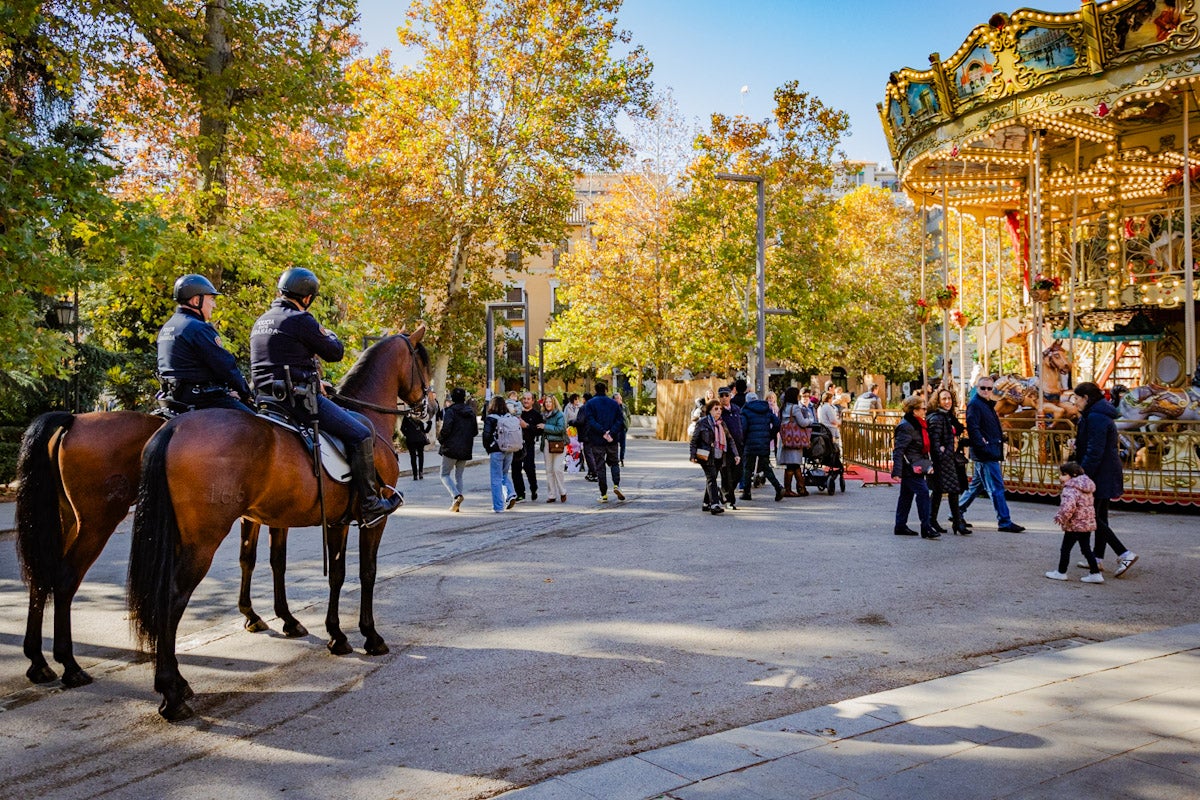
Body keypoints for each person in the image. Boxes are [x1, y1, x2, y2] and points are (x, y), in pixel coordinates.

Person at [250, 267, 401, 526]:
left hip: (266, 401)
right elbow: (335, 352)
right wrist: (327, 333)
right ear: (307, 298)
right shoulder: (300, 319)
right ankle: (370, 504)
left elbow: (279, 361)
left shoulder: (262, 320)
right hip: (299, 402)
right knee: (362, 433)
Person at [157, 273, 253, 413]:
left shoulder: (167, 327)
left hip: (172, 398)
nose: (213, 305)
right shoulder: (198, 328)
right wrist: (245, 393)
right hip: (202, 399)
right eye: (211, 299)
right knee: (259, 426)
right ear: (196, 301)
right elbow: (225, 367)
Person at [1072, 381, 1138, 577]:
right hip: (1104, 471)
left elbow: (1095, 450)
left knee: (1094, 516)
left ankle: (1124, 553)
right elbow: (1092, 443)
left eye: (1076, 398)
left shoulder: (1096, 417)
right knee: (1101, 516)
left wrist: (1082, 475)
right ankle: (1097, 558)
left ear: (1086, 398)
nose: (1074, 402)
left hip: (1100, 473)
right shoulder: (1097, 415)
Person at [957, 377, 1026, 533]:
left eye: (990, 389)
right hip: (986, 453)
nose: (986, 391)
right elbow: (973, 428)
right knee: (996, 488)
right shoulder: (975, 405)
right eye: (983, 388)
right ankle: (1004, 521)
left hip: (990, 450)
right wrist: (983, 447)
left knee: (976, 486)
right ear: (977, 387)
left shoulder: (986, 404)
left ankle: (957, 511)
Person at [1046, 461, 1103, 583]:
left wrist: (1061, 517)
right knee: (1086, 549)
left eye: (1063, 474)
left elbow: (1068, 507)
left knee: (1065, 549)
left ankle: (1061, 572)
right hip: (1086, 524)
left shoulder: (1070, 489)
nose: (1060, 477)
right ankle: (1095, 573)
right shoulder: (1086, 487)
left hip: (1074, 524)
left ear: (1072, 475)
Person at [892, 394, 938, 539]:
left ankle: (900, 525)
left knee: (906, 496)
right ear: (914, 410)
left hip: (915, 464)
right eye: (922, 408)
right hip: (910, 467)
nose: (925, 411)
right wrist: (897, 471)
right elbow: (899, 450)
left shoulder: (917, 424)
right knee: (923, 493)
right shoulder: (907, 426)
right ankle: (926, 527)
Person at [926, 388, 970, 536]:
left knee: (944, 490)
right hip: (943, 460)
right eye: (944, 399)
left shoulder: (946, 416)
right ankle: (956, 522)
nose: (947, 402)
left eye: (949, 399)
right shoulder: (937, 418)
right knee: (952, 489)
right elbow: (935, 440)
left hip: (949, 458)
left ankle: (936, 520)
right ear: (937, 401)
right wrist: (942, 452)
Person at [576, 381, 626, 502]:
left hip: (597, 439)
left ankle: (603, 494)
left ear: (595, 390)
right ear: (606, 389)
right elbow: (620, 421)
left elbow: (590, 421)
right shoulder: (614, 404)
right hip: (611, 439)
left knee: (600, 466)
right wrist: (611, 433)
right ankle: (616, 485)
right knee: (614, 463)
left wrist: (602, 432)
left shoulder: (590, 404)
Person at [689, 399, 740, 514]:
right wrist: (692, 455)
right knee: (712, 478)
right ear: (709, 411)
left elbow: (730, 439)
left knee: (711, 478)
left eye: (720, 409)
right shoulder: (702, 422)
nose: (718, 411)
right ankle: (715, 504)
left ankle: (706, 503)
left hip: (719, 456)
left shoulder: (721, 423)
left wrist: (736, 454)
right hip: (706, 456)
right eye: (715, 409)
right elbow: (694, 440)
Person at [437, 387, 477, 512]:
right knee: (459, 476)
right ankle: (456, 502)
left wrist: (441, 439)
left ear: (452, 398)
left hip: (451, 447)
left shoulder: (450, 411)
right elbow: (475, 431)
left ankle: (456, 495)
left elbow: (446, 429)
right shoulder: (470, 412)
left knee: (444, 474)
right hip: (465, 447)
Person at [739, 392, 784, 502]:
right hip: (764, 442)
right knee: (765, 466)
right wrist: (771, 435)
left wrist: (742, 440)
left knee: (748, 468)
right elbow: (777, 423)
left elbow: (743, 427)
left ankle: (747, 492)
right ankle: (778, 487)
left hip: (750, 443)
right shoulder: (765, 408)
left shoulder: (745, 410)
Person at [482, 395, 519, 512]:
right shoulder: (509, 417)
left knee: (496, 478)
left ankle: (498, 506)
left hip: (496, 450)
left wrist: (488, 448)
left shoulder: (491, 418)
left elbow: (486, 435)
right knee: (504, 474)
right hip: (509, 450)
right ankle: (511, 493)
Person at [777, 386, 812, 497]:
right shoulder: (795, 408)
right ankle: (790, 489)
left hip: (786, 439)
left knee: (793, 465)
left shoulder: (783, 408)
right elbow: (802, 422)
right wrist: (809, 421)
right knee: (793, 465)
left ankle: (801, 488)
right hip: (795, 439)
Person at [511, 391, 543, 501]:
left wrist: (527, 426)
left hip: (528, 444)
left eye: (528, 399)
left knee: (529, 468)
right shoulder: (516, 414)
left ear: (533, 401)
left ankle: (533, 488)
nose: (526, 401)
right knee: (515, 469)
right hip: (516, 445)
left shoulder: (536, 415)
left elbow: (539, 431)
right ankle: (520, 493)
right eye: (524, 398)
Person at [717, 386, 746, 504]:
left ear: (730, 396)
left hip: (738, 445)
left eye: (726, 395)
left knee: (738, 472)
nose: (724, 398)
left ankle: (725, 492)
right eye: (721, 396)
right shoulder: (718, 411)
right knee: (726, 472)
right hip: (724, 446)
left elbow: (741, 425)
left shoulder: (736, 409)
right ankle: (729, 497)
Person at [540, 395, 568, 503]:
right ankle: (551, 494)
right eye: (546, 402)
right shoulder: (543, 415)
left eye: (550, 402)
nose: (547, 404)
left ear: (554, 403)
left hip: (559, 444)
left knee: (557, 468)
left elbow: (561, 429)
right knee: (549, 470)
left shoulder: (560, 415)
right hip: (547, 444)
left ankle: (562, 491)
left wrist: (545, 427)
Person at [400, 413, 431, 480]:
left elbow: (402, 428)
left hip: (411, 440)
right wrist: (430, 424)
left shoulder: (407, 417)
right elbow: (424, 431)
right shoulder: (420, 416)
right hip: (420, 440)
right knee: (421, 456)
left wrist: (408, 434)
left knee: (413, 457)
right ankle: (420, 473)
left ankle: (415, 475)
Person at [614, 391, 631, 466]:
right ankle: (615, 458)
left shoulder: (624, 407)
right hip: (615, 429)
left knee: (623, 445)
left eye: (619, 398)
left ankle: (622, 458)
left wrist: (627, 425)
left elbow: (628, 416)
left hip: (622, 428)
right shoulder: (612, 407)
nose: (619, 399)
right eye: (617, 398)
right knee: (615, 444)